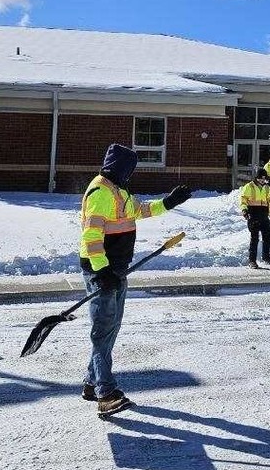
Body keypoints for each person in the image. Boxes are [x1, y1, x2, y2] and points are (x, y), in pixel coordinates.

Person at [79, 143, 192, 415]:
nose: (132, 174)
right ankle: (106, 394)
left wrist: (169, 202)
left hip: (117, 268)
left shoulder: (118, 190)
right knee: (103, 330)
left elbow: (139, 211)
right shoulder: (101, 192)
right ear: (120, 168)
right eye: (130, 169)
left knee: (110, 328)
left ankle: (91, 382)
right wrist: (102, 271)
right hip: (102, 270)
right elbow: (91, 237)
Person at [240, 167, 270, 268]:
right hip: (253, 215)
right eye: (260, 178)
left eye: (264, 178)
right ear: (256, 177)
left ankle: (266, 257)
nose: (262, 180)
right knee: (254, 238)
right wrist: (244, 210)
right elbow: (243, 200)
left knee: (267, 236)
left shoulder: (266, 187)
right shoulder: (249, 186)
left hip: (264, 215)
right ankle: (252, 261)